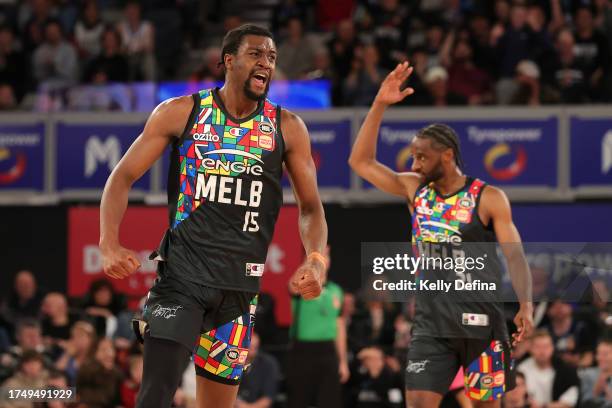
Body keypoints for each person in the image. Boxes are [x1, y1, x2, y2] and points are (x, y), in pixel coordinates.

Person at [99, 23, 328, 408]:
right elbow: (121, 176)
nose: (266, 63)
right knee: (155, 393)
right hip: (182, 278)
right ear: (228, 61)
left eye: (271, 57)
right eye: (256, 54)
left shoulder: (286, 127)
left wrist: (317, 259)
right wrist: (108, 242)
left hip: (238, 292)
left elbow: (311, 208)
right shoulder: (182, 112)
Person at [349, 61, 534, 407]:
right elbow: (360, 163)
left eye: (422, 157)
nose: (415, 164)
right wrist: (379, 105)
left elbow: (515, 254)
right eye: (414, 157)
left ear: (447, 156)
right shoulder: (413, 189)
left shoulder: (488, 197)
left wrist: (526, 305)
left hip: (483, 324)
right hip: (431, 323)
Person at [286, 246, 349, 408]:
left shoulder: (337, 291)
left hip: (328, 352)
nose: (323, 260)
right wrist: (311, 260)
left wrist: (342, 361)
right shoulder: (303, 285)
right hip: (302, 351)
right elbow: (292, 286)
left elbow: (339, 327)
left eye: (326, 257)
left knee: (330, 401)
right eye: (321, 257)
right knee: (298, 400)